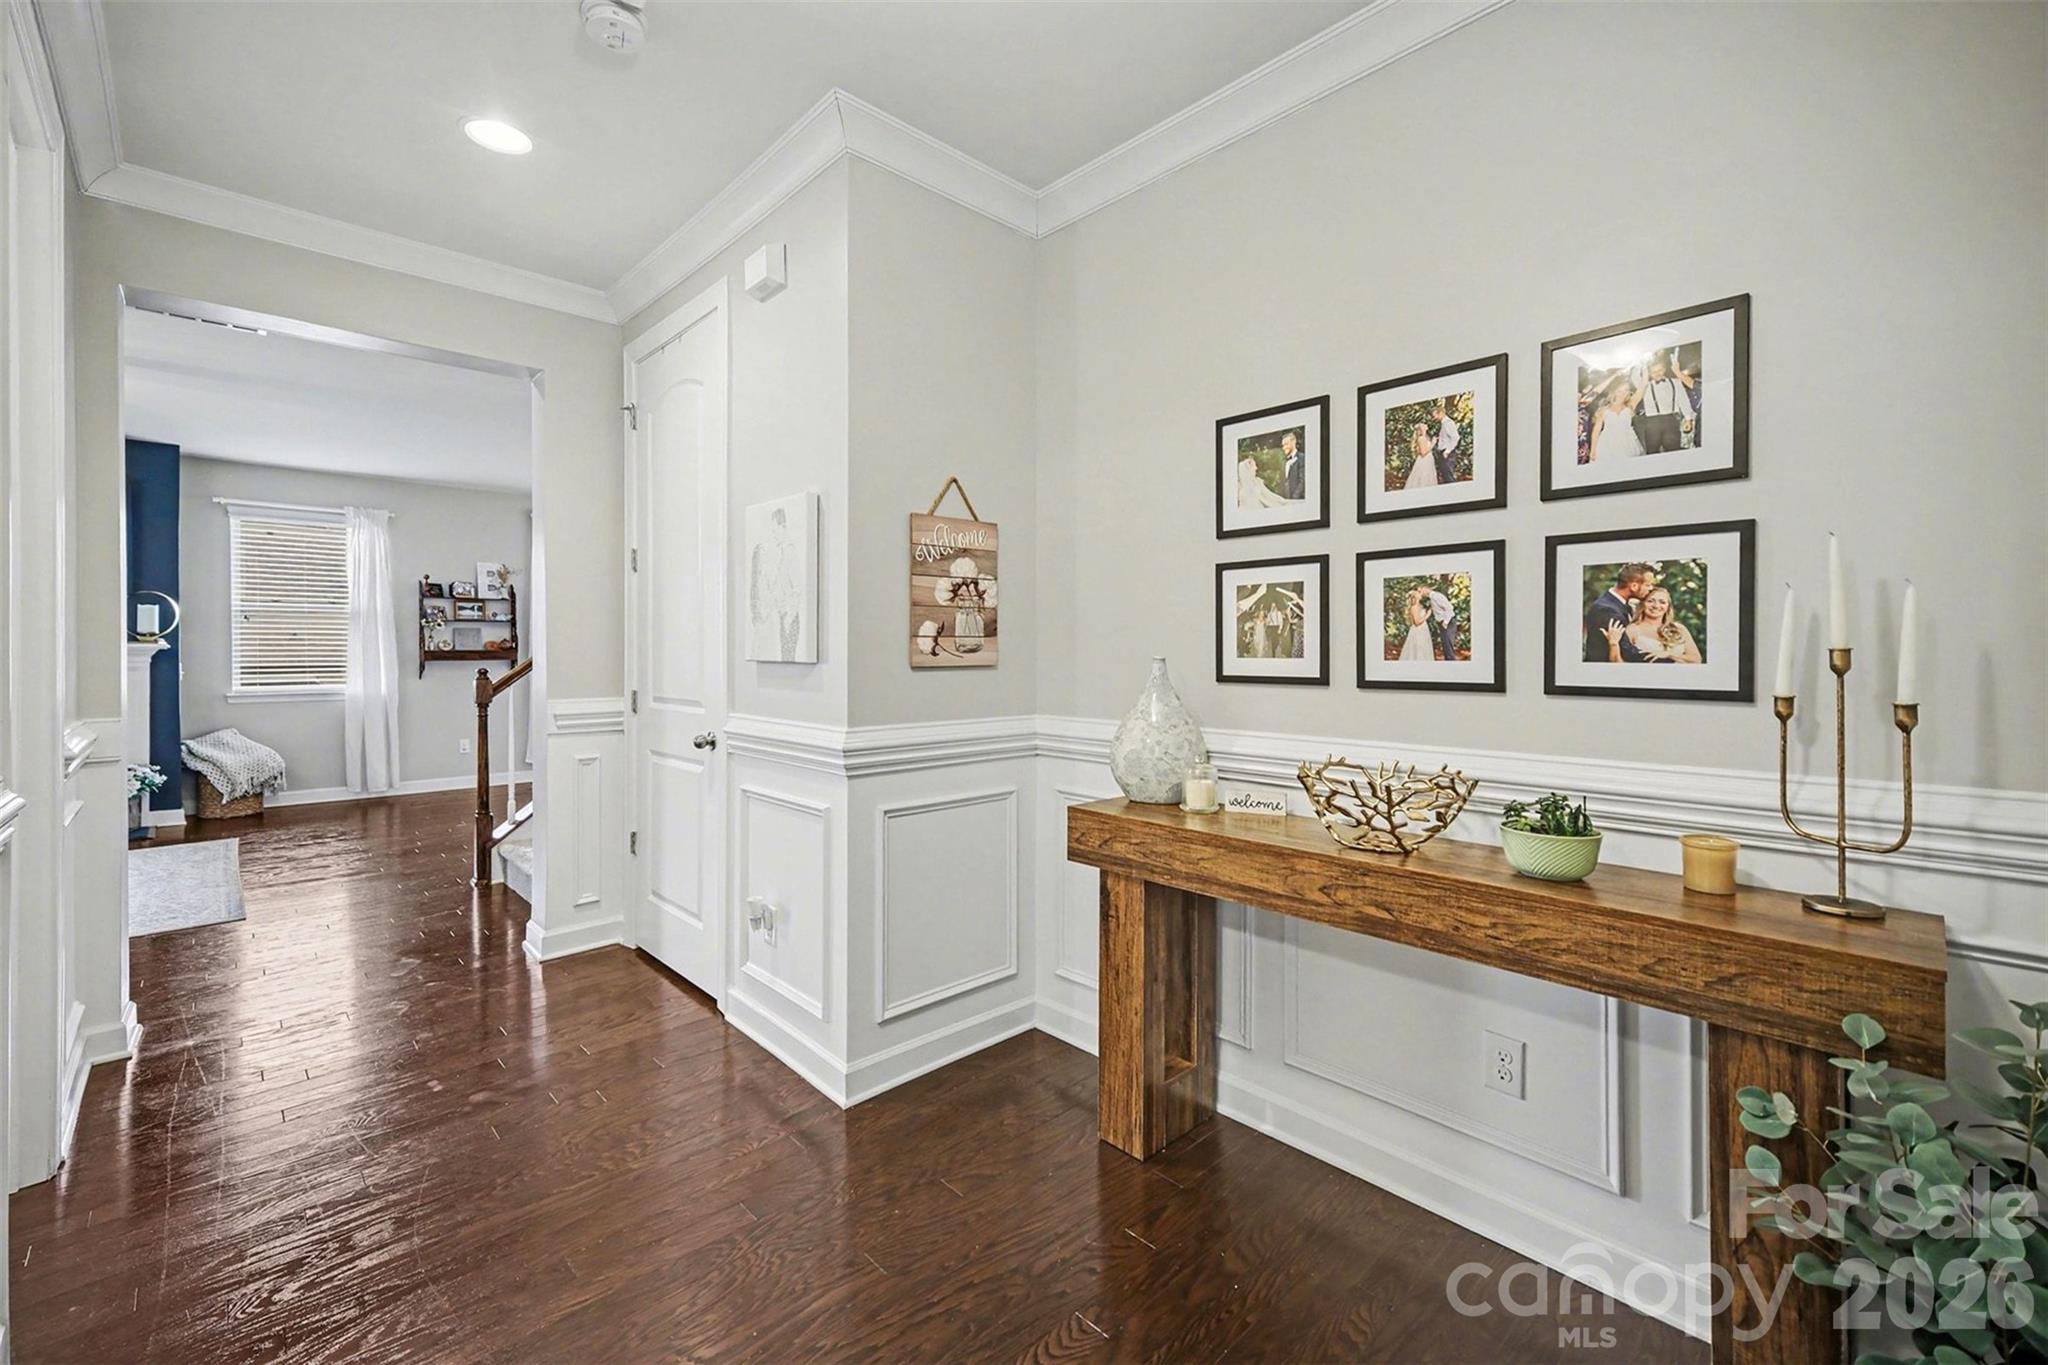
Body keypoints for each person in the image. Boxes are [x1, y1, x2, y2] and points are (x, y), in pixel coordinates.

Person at [1584, 563, 1654, 663]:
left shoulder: (1619, 604)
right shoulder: (1607, 610)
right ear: (1634, 586)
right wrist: (1666, 657)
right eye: (1648, 585)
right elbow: (1627, 652)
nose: (1650, 588)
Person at [1632, 350, 1698, 454]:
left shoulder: (1675, 382)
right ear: (1648, 373)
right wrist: (1643, 360)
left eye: (1660, 370)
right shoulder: (1645, 385)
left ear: (1665, 369)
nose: (1657, 374)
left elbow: (1683, 400)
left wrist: (1688, 419)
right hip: (1652, 422)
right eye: (1653, 372)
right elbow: (1634, 376)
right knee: (1652, 452)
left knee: (1673, 450)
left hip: (1671, 420)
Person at [1622, 584, 1702, 663]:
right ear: (1642, 604)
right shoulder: (1632, 629)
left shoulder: (1680, 629)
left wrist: (1669, 654)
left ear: (1668, 607)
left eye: (1662, 602)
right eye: (1650, 601)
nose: (1656, 606)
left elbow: (1696, 660)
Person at [1588, 381, 1645, 461]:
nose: (1623, 394)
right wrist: (1593, 449)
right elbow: (1596, 430)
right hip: (1608, 443)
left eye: (1626, 390)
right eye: (1619, 391)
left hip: (1628, 442)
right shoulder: (1604, 409)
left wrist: (1645, 370)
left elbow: (1642, 386)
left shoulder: (1630, 406)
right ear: (1614, 392)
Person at [1396, 587, 1435, 662]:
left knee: (1424, 650)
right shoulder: (1414, 607)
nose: (1420, 593)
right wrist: (1428, 615)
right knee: (1418, 651)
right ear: (1415, 597)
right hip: (1418, 631)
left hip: (1423, 630)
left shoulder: (1419, 606)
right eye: (1418, 593)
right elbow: (1417, 622)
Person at [1426, 580, 1459, 661]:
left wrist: (1445, 622)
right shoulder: (1432, 598)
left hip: (1448, 622)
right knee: (1446, 647)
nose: (1419, 591)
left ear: (1425, 588)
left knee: (1448, 648)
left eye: (1420, 589)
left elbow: (1449, 608)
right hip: (1443, 623)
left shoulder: (1436, 596)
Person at [1430, 399, 1461, 484]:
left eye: (1434, 415)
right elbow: (1448, 438)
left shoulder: (1448, 423)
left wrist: (1447, 451)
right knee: (1445, 476)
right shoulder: (1444, 424)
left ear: (1440, 413)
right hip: (1443, 454)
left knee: (1449, 478)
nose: (1434, 418)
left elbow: (1455, 438)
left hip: (1448, 455)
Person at [1402, 423, 1438, 491]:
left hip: (1428, 460)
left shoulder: (1425, 437)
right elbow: (1423, 453)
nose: (1426, 425)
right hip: (1424, 461)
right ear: (1421, 429)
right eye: (1423, 425)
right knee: (1423, 477)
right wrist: (1433, 444)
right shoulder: (1421, 438)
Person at [1280, 429, 1305, 502]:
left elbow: (1302, 481)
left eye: (1286, 444)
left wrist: (1294, 499)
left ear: (1293, 442)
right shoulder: (1283, 462)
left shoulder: (1302, 458)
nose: (1284, 447)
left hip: (1298, 502)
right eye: (1283, 445)